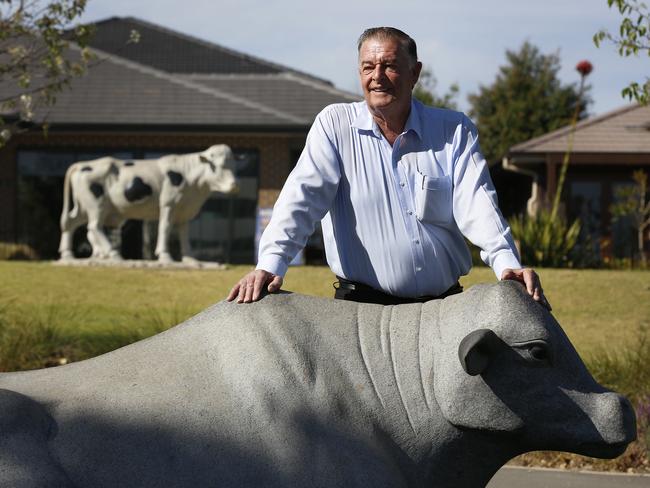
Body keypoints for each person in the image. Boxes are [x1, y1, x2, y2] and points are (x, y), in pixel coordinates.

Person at [228, 27, 550, 310]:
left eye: (390, 66)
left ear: (415, 73)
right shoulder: (335, 126)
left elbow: (479, 205)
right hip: (362, 314)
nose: (377, 76)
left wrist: (507, 265)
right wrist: (271, 263)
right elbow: (301, 200)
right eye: (368, 67)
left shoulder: (454, 130)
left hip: (443, 311)